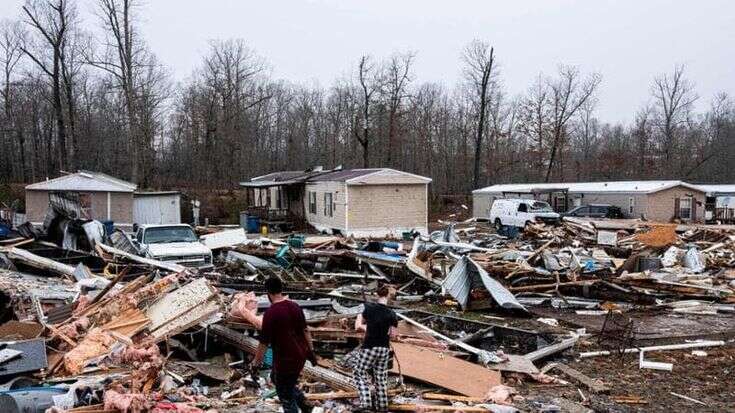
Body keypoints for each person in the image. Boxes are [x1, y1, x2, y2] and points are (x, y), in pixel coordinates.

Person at [251, 277, 316, 413]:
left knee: (285, 395)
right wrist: (311, 351)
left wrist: (256, 364)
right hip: (300, 356)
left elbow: (263, 343)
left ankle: (299, 406)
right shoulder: (295, 306)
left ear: (268, 292)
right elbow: (305, 330)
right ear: (281, 289)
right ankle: (305, 404)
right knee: (278, 379)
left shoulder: (270, 313)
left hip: (286, 360)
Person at [351, 284, 398, 412]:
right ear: (388, 296)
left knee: (359, 372)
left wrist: (368, 328)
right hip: (384, 348)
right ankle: (382, 407)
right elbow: (393, 335)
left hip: (370, 346)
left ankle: (366, 403)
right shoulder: (392, 314)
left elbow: (357, 326)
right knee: (381, 378)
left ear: (377, 295)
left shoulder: (367, 308)